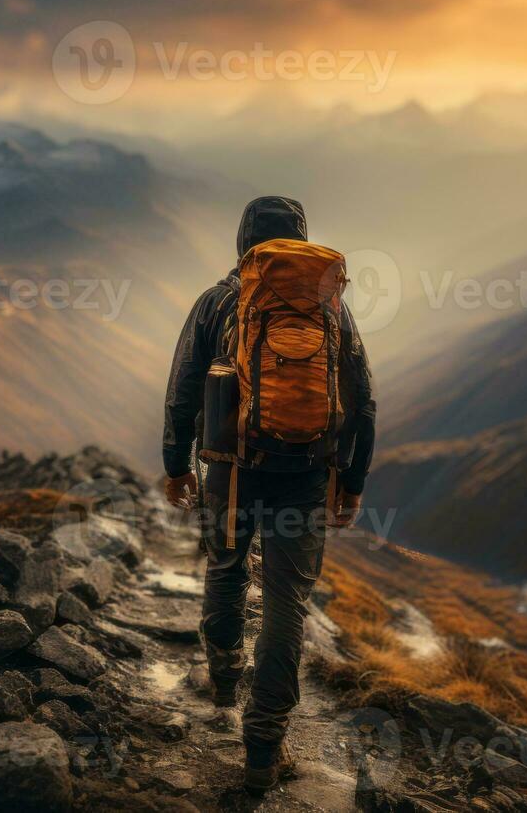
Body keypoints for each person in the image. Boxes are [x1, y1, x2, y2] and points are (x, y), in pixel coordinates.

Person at [161, 195, 377, 793]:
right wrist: (352, 484)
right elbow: (362, 401)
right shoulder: (329, 306)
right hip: (307, 476)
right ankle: (264, 747)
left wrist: (175, 465)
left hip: (229, 472)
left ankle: (225, 680)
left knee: (227, 567)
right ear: (304, 242)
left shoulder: (216, 301)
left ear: (241, 242)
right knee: (286, 604)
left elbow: (182, 390)